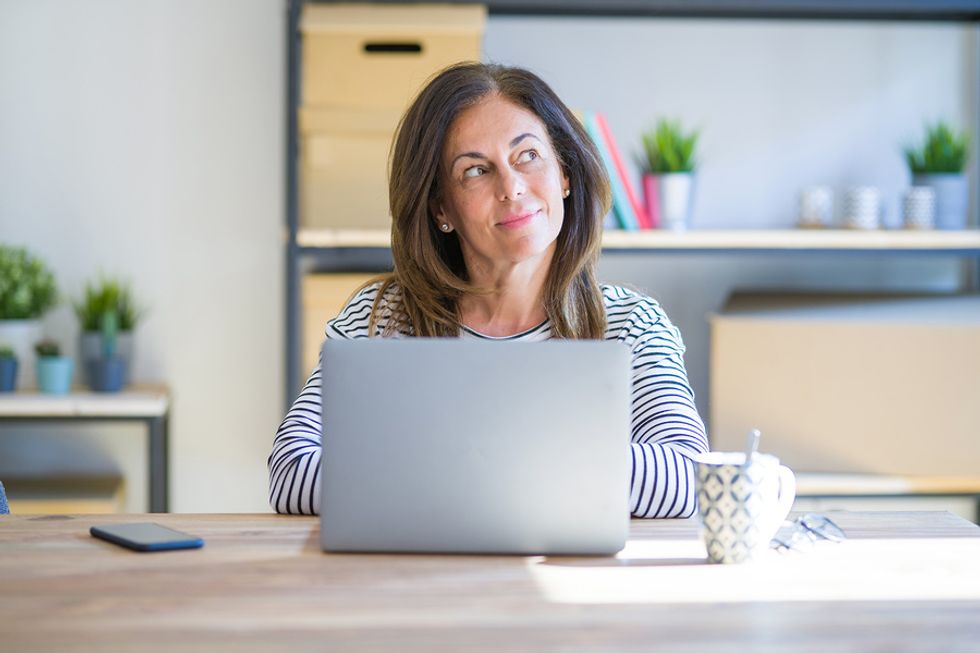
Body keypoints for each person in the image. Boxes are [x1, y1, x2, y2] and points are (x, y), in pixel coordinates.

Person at [269, 62, 708, 518]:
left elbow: (690, 477)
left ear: (565, 174)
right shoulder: (380, 317)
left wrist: (463, 463)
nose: (512, 187)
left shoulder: (632, 324)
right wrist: (540, 466)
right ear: (442, 207)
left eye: (528, 155)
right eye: (476, 171)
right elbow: (291, 472)